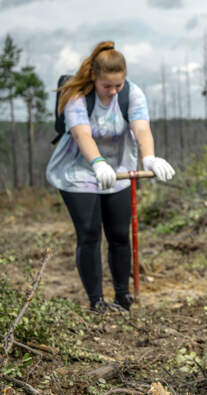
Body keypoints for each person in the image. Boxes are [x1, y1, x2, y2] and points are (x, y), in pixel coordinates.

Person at [46, 41, 175, 313]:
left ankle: (122, 295)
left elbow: (141, 128)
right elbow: (82, 134)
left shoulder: (132, 94)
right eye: (108, 86)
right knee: (90, 233)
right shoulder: (76, 95)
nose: (114, 91)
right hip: (78, 172)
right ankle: (96, 301)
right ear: (94, 78)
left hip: (118, 170)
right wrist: (98, 162)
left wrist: (149, 157)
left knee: (118, 234)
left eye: (119, 85)